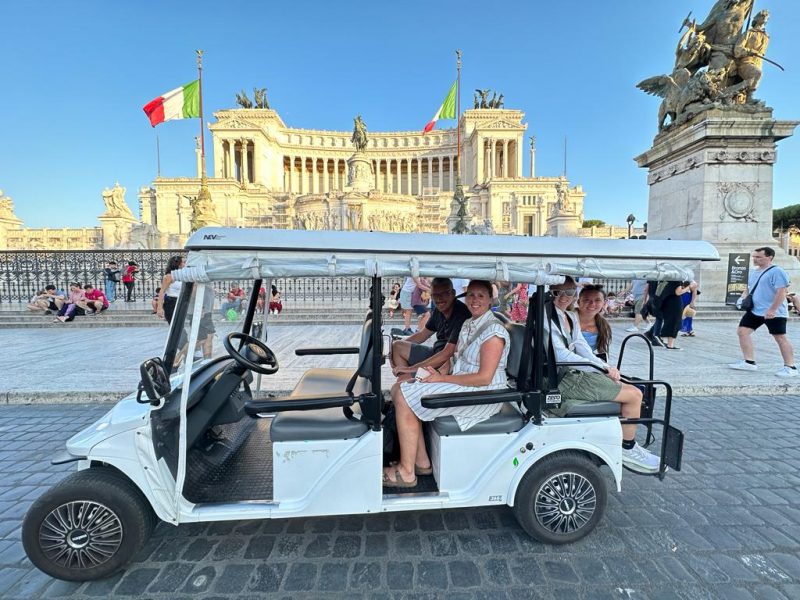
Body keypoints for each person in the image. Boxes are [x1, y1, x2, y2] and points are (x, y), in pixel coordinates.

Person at [383, 280, 511, 487]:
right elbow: (454, 358)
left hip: (485, 393)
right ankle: (421, 462)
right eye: (471, 295)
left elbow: (484, 378)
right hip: (465, 384)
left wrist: (440, 378)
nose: (474, 300)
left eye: (480, 296)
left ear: (490, 299)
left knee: (404, 393)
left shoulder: (493, 333)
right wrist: (432, 373)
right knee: (403, 389)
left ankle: (407, 472)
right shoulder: (470, 323)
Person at [546, 276, 661, 474]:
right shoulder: (549, 317)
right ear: (551, 293)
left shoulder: (569, 317)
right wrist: (601, 369)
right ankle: (627, 448)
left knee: (637, 387)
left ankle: (627, 439)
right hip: (565, 378)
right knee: (635, 395)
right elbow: (561, 354)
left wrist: (604, 367)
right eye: (558, 293)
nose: (564, 297)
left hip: (575, 373)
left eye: (569, 293)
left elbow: (582, 347)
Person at [729, 246, 797, 377]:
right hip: (755, 310)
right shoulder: (754, 272)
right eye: (754, 256)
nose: (755, 259)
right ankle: (749, 362)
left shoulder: (777, 271)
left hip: (774, 312)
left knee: (780, 337)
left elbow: (781, 292)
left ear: (769, 257)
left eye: (758, 257)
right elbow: (749, 288)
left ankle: (790, 367)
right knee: (742, 332)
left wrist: (773, 309)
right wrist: (741, 299)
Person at [391, 278, 472, 382]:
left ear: (453, 293)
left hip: (447, 363)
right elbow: (422, 335)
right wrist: (391, 351)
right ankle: (410, 381)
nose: (439, 299)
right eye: (435, 295)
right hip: (436, 353)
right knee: (397, 346)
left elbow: (447, 353)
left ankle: (408, 381)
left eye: (443, 294)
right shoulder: (439, 310)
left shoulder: (461, 314)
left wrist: (410, 369)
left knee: (400, 384)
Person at [575, 284, 613, 363]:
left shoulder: (603, 325)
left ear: (604, 303)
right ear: (579, 302)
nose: (592, 304)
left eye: (597, 300)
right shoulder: (567, 319)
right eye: (587, 300)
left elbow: (602, 351)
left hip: (588, 364)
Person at [658, 281, 693, 350]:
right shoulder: (677, 280)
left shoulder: (670, 280)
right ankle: (669, 344)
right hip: (675, 304)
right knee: (676, 322)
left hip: (668, 302)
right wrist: (689, 287)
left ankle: (666, 341)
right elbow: (678, 292)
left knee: (670, 322)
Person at [155, 256, 184, 324]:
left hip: (181, 302)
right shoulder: (169, 276)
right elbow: (162, 291)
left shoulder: (183, 275)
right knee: (175, 327)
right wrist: (159, 308)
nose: (185, 264)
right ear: (178, 264)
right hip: (171, 302)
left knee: (180, 327)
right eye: (183, 262)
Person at [643, 280, 665, 347]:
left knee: (660, 318)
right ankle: (655, 337)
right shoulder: (661, 278)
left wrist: (645, 300)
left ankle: (650, 333)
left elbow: (646, 289)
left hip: (652, 299)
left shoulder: (653, 276)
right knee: (660, 318)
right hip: (657, 300)